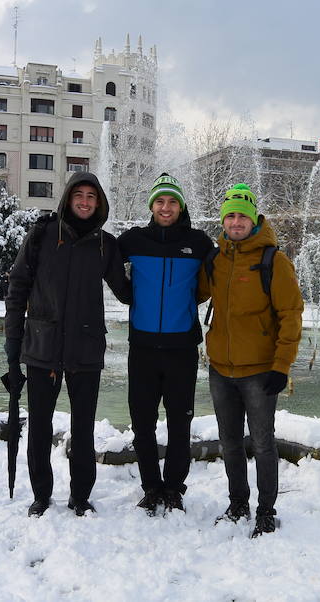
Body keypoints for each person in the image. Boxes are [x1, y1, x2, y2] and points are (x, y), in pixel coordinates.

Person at [4, 172, 131, 517]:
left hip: (86, 349)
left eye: (92, 196)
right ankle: (41, 495)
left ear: (99, 202)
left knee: (83, 427)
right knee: (40, 428)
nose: (86, 201)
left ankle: (80, 495)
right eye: (80, 195)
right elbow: (17, 289)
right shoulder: (42, 234)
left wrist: (144, 249)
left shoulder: (105, 244)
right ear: (68, 198)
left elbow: (127, 291)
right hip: (43, 347)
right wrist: (12, 349)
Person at [198, 183, 304, 538]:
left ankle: (266, 511)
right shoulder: (215, 259)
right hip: (220, 369)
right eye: (230, 215)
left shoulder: (273, 260)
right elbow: (192, 290)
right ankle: (238, 503)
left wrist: (281, 366)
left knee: (262, 443)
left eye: (242, 215)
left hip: (259, 372)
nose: (236, 221)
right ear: (224, 221)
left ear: (254, 218)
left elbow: (291, 314)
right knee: (229, 442)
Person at [117, 173, 213, 515]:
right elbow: (108, 260)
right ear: (151, 206)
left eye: (172, 201)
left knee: (178, 423)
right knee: (142, 424)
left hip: (181, 351)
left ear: (181, 206)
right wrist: (128, 295)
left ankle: (173, 488)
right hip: (142, 349)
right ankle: (151, 488)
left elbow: (219, 274)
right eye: (160, 201)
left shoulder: (199, 243)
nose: (166, 207)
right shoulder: (134, 240)